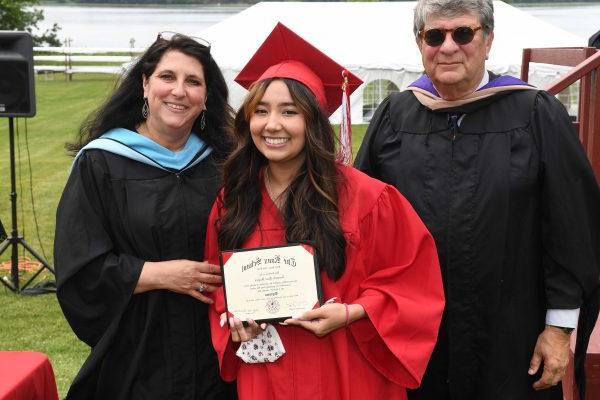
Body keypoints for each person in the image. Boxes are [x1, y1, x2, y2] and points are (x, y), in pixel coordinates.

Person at [354, 0, 600, 399]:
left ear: (488, 40)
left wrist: (558, 330)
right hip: (416, 330)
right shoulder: (395, 116)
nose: (448, 46)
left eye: (463, 33)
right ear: (420, 43)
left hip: (511, 331)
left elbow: (569, 226)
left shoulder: (535, 112)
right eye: (435, 36)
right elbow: (361, 219)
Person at [203, 22, 445, 400]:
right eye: (261, 110)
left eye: (289, 112)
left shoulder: (369, 198)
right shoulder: (232, 200)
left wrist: (353, 312)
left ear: (313, 122)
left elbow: (414, 282)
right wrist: (234, 321)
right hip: (268, 376)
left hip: (348, 371)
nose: (273, 125)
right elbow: (220, 283)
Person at [54, 32, 237, 399]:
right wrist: (158, 274)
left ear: (206, 98)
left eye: (193, 82)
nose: (179, 91)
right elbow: (79, 266)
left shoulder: (224, 165)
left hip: (216, 351)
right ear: (145, 84)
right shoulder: (101, 162)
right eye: (167, 77)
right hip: (137, 350)